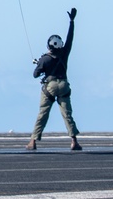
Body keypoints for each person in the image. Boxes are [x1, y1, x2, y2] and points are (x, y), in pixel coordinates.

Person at [26, 8, 81, 151]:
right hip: (63, 85)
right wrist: (72, 22)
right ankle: (74, 141)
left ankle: (33, 142)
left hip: (49, 87)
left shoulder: (44, 59)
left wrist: (39, 64)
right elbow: (70, 38)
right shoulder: (64, 54)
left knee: (43, 113)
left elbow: (35, 74)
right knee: (67, 114)